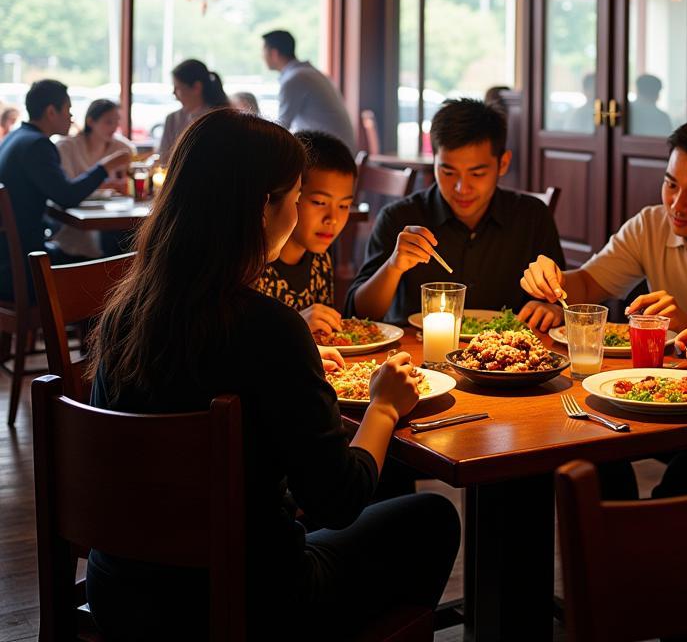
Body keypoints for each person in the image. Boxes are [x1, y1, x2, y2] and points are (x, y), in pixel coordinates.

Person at [85, 108, 459, 640]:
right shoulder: (267, 327)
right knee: (432, 518)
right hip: (244, 601)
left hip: (121, 591)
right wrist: (383, 406)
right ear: (266, 207)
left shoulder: (131, 308)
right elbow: (340, 500)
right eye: (298, 194)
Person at [518, 114, 687, 341]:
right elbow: (588, 284)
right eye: (671, 185)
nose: (677, 205)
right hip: (662, 374)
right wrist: (554, 280)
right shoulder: (650, 224)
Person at [348, 97, 564, 323]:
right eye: (448, 172)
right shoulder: (400, 218)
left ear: (503, 163)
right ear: (434, 162)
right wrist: (393, 266)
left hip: (509, 353)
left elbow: (558, 300)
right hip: (415, 352)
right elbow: (359, 314)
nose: (462, 188)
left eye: (477, 173)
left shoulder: (531, 217)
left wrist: (552, 308)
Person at [0, 80, 130, 298]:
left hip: (8, 262)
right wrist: (105, 166)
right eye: (68, 110)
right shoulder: (37, 145)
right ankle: (99, 329)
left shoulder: (14, 137)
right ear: (52, 112)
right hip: (24, 269)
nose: (71, 117)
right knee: (106, 266)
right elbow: (67, 196)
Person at [255, 130, 356, 371]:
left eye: (344, 206)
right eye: (320, 202)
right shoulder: (254, 265)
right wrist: (296, 325)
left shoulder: (321, 258)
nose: (332, 218)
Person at [53, 99, 136, 260]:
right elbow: (68, 191)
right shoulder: (67, 147)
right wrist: (106, 185)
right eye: (108, 122)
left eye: (116, 122)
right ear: (90, 121)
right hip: (76, 223)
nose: (114, 127)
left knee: (129, 239)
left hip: (113, 216)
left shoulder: (122, 148)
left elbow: (129, 180)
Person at [262, 29, 356, 151]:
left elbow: (281, 128)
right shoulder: (309, 73)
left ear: (274, 53)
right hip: (340, 151)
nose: (261, 56)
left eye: (263, 51)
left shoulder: (295, 79)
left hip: (329, 154)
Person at [159, 58, 228, 158]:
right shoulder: (172, 119)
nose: (174, 93)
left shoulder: (220, 119)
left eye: (177, 88)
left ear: (197, 87)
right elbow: (163, 157)